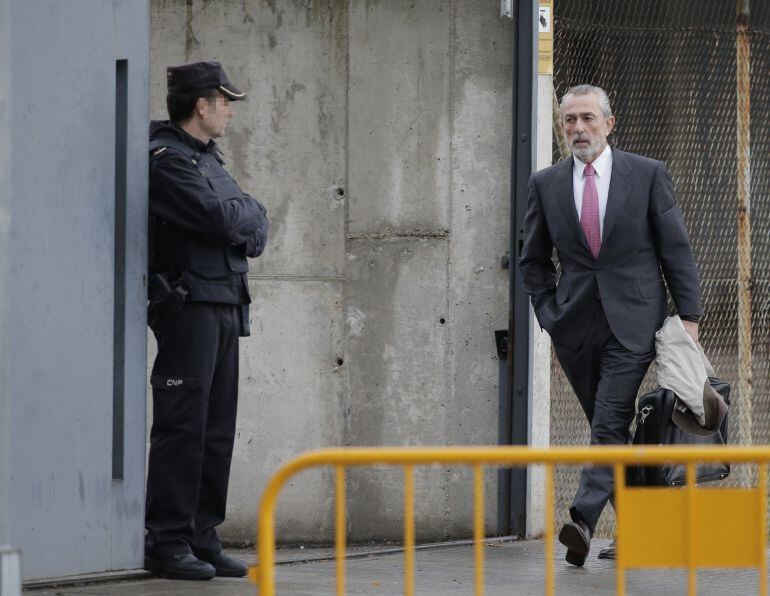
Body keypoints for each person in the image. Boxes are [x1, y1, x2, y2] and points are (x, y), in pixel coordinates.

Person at [519, 84, 702, 566]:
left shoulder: (646, 175)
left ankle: (581, 518)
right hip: (574, 328)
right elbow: (533, 260)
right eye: (569, 121)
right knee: (611, 432)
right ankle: (643, 531)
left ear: (609, 123)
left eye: (587, 119)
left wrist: (690, 317)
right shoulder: (546, 183)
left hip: (635, 323)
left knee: (607, 421)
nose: (578, 128)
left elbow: (675, 249)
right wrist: (548, 315)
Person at [144, 60, 269, 580]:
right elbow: (226, 218)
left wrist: (242, 215)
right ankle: (167, 539)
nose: (230, 113)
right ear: (202, 105)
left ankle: (202, 534)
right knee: (183, 426)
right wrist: (242, 214)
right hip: (188, 305)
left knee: (217, 429)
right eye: (225, 103)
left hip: (223, 304)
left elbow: (256, 225)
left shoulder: (208, 159)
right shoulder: (167, 160)